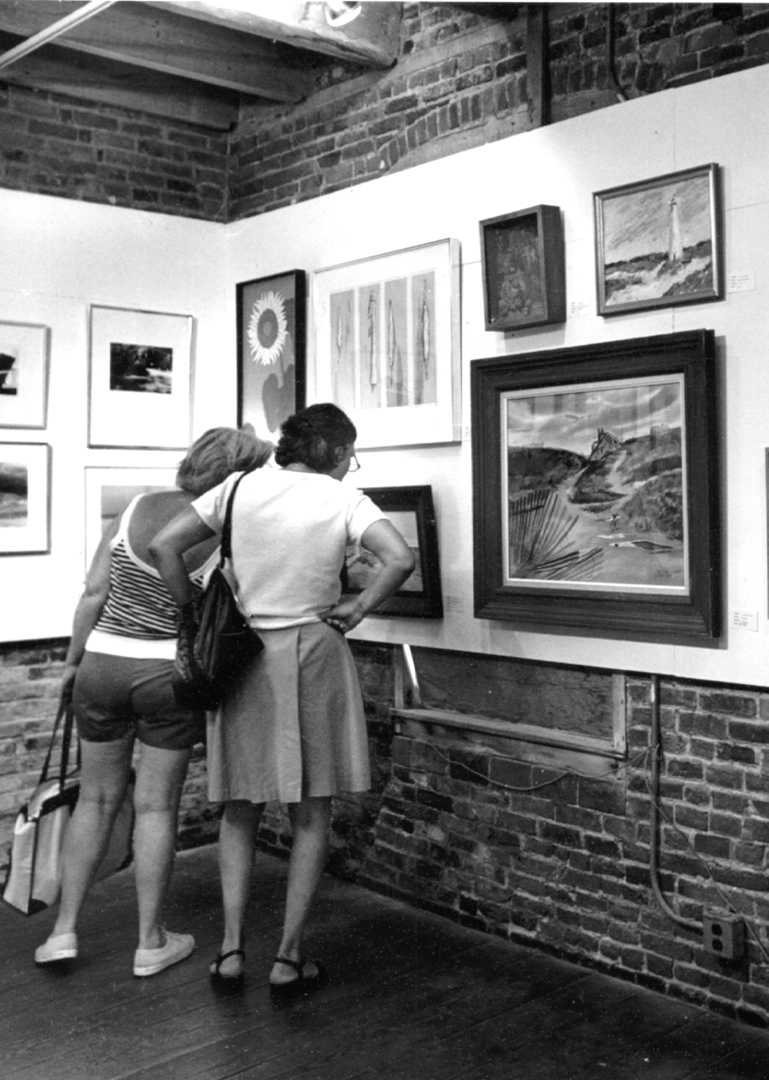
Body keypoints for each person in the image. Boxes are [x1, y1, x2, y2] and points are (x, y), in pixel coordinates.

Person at [149, 403, 414, 992]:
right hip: (314, 652)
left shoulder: (237, 488)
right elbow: (400, 558)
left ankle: (230, 952)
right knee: (311, 809)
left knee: (240, 806)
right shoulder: (342, 499)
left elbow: (164, 547)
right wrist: (357, 607)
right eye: (351, 457)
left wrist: (192, 612)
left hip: (241, 654)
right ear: (339, 453)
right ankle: (288, 958)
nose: (350, 466)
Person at [35, 426, 273, 976]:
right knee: (155, 807)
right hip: (169, 675)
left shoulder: (137, 506)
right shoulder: (227, 529)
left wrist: (71, 664)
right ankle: (149, 943)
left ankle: (62, 932)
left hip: (101, 666)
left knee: (95, 800)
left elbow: (94, 593)